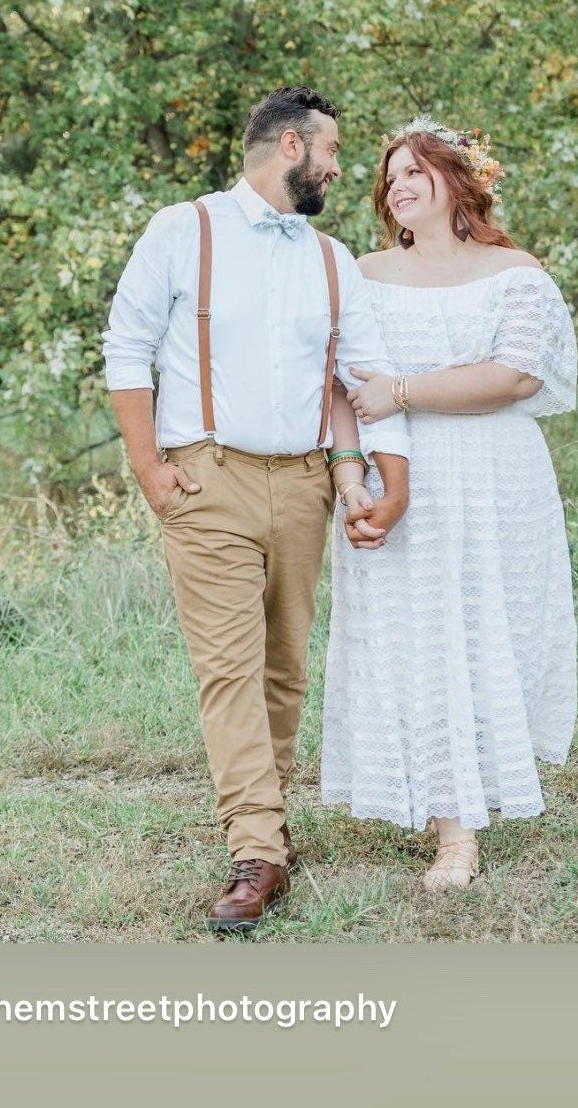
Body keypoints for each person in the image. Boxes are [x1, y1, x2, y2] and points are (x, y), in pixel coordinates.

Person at [102, 87, 410, 932]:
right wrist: (148, 468)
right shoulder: (182, 230)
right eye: (332, 151)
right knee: (230, 668)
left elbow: (359, 374)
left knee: (284, 669)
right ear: (288, 146)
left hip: (307, 484)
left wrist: (367, 473)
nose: (342, 168)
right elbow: (125, 346)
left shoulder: (333, 259)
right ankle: (258, 852)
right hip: (208, 480)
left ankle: (263, 827)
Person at [321, 115, 578, 890]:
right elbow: (338, 383)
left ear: (459, 181)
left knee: (482, 634)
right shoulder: (360, 275)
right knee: (415, 638)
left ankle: (477, 791)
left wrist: (400, 389)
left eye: (413, 172)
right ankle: (451, 831)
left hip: (496, 478)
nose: (396, 185)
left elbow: (516, 377)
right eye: (388, 175)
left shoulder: (517, 273)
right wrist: (349, 475)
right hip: (398, 474)